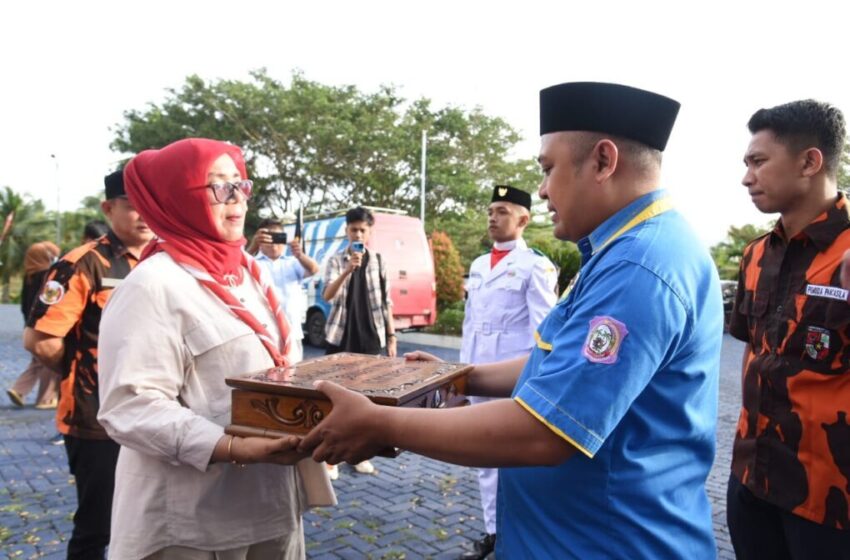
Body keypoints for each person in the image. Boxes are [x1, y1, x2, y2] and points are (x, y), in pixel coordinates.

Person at [298, 82, 724, 559]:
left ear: (603, 161)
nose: (541, 190)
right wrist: (461, 377)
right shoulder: (625, 250)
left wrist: (382, 423)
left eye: (548, 169)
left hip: (609, 542)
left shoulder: (639, 266)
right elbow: (556, 368)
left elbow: (543, 431)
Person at [97, 138, 332, 560]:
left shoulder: (248, 272)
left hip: (273, 499)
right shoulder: (152, 286)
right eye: (218, 186)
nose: (236, 198)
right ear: (176, 199)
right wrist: (230, 447)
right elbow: (129, 406)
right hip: (193, 521)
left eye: (239, 185)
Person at [727, 100, 850, 559]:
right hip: (751, 483)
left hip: (831, 502)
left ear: (809, 161)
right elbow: (751, 351)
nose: (746, 177)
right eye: (746, 163)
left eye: (759, 161)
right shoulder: (756, 255)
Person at [23, 170, 153, 559]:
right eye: (133, 207)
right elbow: (40, 341)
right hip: (95, 418)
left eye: (150, 206)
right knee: (97, 526)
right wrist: (87, 374)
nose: (143, 216)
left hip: (154, 412)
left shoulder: (163, 259)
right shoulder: (82, 263)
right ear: (109, 208)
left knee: (151, 520)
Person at [457, 185, 557, 560]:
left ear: (524, 219)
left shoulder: (536, 266)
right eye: (490, 211)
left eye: (502, 210)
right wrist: (460, 375)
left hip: (515, 378)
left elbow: (545, 331)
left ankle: (522, 535)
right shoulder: (479, 265)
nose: (493, 217)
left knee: (516, 464)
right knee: (485, 461)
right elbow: (471, 324)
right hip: (478, 371)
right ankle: (494, 534)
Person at [321, 206, 397, 478]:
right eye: (353, 229)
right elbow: (327, 295)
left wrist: (391, 335)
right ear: (346, 231)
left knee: (365, 399)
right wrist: (347, 270)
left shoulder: (378, 260)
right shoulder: (335, 260)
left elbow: (386, 302)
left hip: (370, 335)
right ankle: (331, 459)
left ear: (369, 232)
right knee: (335, 400)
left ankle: (358, 454)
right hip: (341, 335)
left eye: (363, 230)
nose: (358, 234)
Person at [248, 218, 319, 363]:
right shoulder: (252, 262)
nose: (274, 243)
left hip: (292, 332)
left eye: (279, 238)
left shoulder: (293, 262)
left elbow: (313, 269)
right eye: (269, 237)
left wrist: (300, 255)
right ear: (261, 239)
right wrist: (252, 246)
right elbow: (235, 268)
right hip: (264, 334)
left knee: (294, 377)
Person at [6, 241, 60, 409]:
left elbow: (24, 305)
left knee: (37, 361)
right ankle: (46, 398)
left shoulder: (29, 277)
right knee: (51, 361)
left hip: (30, 325)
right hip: (46, 324)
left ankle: (19, 389)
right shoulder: (49, 275)